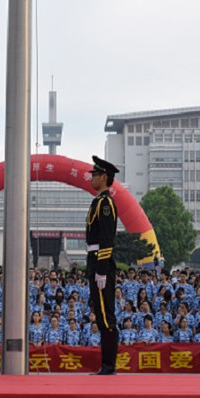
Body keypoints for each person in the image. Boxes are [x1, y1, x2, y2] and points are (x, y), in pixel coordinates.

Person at [86, 155, 119, 375]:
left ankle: (109, 365)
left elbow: (107, 239)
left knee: (106, 316)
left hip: (101, 262)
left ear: (104, 177)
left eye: (95, 174)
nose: (92, 178)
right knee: (100, 314)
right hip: (94, 259)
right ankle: (106, 364)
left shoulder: (106, 203)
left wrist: (101, 270)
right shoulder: (98, 201)